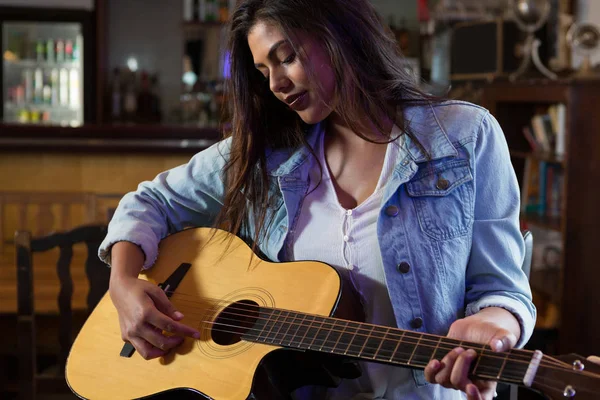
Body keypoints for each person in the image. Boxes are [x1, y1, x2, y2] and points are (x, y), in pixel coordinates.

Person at [100, 0, 536, 399]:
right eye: (262, 71)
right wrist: (123, 284)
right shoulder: (266, 152)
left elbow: (503, 290)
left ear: (340, 34)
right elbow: (149, 201)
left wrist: (492, 326)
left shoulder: (463, 136)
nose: (275, 84)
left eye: (286, 57)